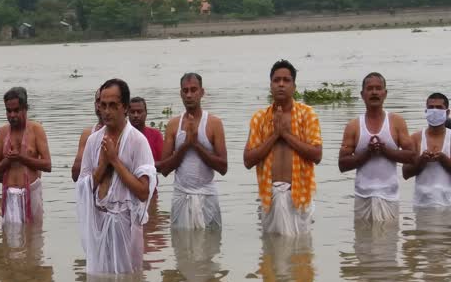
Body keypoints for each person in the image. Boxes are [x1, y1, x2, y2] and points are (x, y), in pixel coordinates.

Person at [76, 78, 157, 274]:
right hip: (99, 224)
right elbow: (82, 187)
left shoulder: (138, 142)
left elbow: (143, 192)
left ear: (125, 108)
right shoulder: (94, 141)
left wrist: (115, 161)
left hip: (127, 227)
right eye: (103, 105)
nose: (106, 111)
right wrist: (103, 165)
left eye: (113, 105)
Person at [244, 60, 322, 235]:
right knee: (271, 255)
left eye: (286, 80)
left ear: (294, 86)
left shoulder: (307, 114)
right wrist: (275, 135)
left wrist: (286, 135)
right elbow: (248, 160)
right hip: (269, 197)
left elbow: (317, 155)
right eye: (276, 80)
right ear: (270, 85)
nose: (281, 84)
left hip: (299, 197)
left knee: (301, 256)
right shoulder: (259, 118)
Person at [339, 72, 414, 223]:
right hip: (362, 197)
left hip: (389, 196)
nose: (374, 92)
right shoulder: (353, 126)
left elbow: (411, 156)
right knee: (362, 244)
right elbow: (342, 164)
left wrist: (385, 151)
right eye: (370, 88)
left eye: (378, 88)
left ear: (385, 94)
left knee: (388, 243)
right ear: (362, 94)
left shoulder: (396, 122)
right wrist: (367, 153)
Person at [158, 72, 227, 229]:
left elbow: (223, 167)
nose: (189, 95)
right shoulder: (173, 125)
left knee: (210, 249)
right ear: (180, 93)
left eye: (193, 90)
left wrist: (196, 144)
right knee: (181, 250)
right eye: (185, 90)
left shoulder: (214, 123)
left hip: (207, 196)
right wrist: (185, 145)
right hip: (181, 196)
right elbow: (164, 169)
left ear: (202, 92)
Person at [0, 87, 52, 225]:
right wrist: (8, 161)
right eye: (8, 111)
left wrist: (21, 158)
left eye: (16, 110)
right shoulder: (2, 132)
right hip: (9, 194)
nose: (12, 115)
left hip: (31, 191)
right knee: (9, 242)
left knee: (33, 241)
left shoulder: (36, 130)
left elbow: (48, 165)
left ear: (25, 109)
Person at [402, 93, 451, 208]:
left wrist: (443, 159)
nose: (434, 111)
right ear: (426, 111)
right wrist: (421, 160)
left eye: (439, 107)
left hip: (448, 205)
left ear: (447, 112)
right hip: (421, 204)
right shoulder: (415, 138)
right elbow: (405, 173)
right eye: (431, 107)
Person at [71, 88, 103, 182]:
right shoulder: (88, 134)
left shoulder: (125, 133)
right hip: (91, 192)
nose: (100, 105)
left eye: (104, 102)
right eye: (98, 101)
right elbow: (75, 175)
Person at [129, 97, 164, 162]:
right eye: (132, 112)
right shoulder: (122, 135)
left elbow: (162, 165)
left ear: (146, 113)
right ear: (127, 113)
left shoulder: (156, 135)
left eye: (139, 112)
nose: (136, 115)